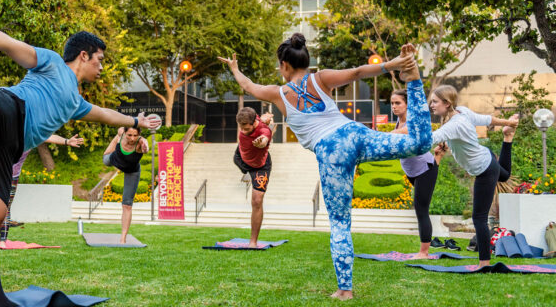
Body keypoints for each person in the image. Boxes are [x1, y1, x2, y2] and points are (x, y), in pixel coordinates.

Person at [0, 0, 161, 307]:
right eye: (100, 60)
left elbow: (106, 115)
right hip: (12, 109)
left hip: (7, 147)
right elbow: (9, 44)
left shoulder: (76, 102)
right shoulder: (53, 63)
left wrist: (136, 120)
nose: (102, 68)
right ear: (83, 55)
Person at [219, 33, 431, 300]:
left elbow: (248, 86)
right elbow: (357, 72)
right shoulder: (321, 78)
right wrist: (397, 63)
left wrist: (235, 69)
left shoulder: (278, 94)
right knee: (421, 142)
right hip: (355, 134)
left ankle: (345, 290)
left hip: (333, 152)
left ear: (284, 65)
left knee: (340, 221)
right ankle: (413, 80)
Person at [426, 84, 518, 268]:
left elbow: (430, 138)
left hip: (484, 169)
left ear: (447, 103)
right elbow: (486, 119)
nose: (431, 105)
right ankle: (508, 137)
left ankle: (484, 263)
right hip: (487, 157)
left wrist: (401, 140)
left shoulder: (455, 123)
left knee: (479, 218)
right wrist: (507, 123)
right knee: (504, 176)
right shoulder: (462, 112)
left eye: (435, 102)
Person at [0, 134, 85, 248]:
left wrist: (67, 141)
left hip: (12, 175)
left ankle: (3, 241)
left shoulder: (32, 133)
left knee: (5, 207)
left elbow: (48, 136)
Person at [389, 89, 444, 258]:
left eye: (398, 103)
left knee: (421, 209)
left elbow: (408, 133)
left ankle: (424, 252)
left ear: (407, 105)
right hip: (413, 171)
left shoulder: (412, 123)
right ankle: (438, 156)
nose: (394, 106)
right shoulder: (397, 124)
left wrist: (386, 135)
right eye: (392, 103)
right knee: (421, 208)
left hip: (424, 169)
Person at [232, 108, 275, 248]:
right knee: (236, 159)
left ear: (253, 123)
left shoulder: (264, 130)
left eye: (246, 128)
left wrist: (262, 142)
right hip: (241, 158)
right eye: (241, 128)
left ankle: (253, 241)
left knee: (257, 201)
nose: (243, 131)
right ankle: (245, 175)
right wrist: (267, 116)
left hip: (259, 166)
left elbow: (265, 137)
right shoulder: (253, 117)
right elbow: (263, 116)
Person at [102, 126, 150, 244]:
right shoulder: (121, 132)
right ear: (124, 133)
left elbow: (146, 147)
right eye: (129, 135)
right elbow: (121, 127)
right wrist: (118, 137)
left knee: (127, 205)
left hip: (131, 170)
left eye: (135, 135)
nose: (132, 138)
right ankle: (116, 140)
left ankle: (123, 238)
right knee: (105, 160)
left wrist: (145, 147)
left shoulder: (140, 142)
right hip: (115, 160)